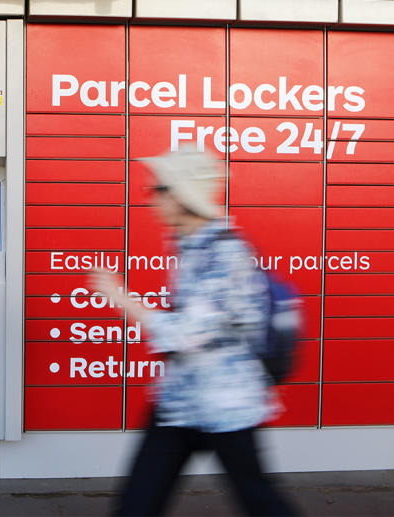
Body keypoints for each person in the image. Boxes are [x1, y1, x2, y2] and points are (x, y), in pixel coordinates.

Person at [89, 145, 297, 516]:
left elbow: (187, 332)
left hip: (225, 406)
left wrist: (122, 298)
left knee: (262, 502)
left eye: (159, 189)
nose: (151, 196)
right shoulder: (190, 245)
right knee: (137, 504)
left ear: (182, 197)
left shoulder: (226, 254)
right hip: (181, 402)